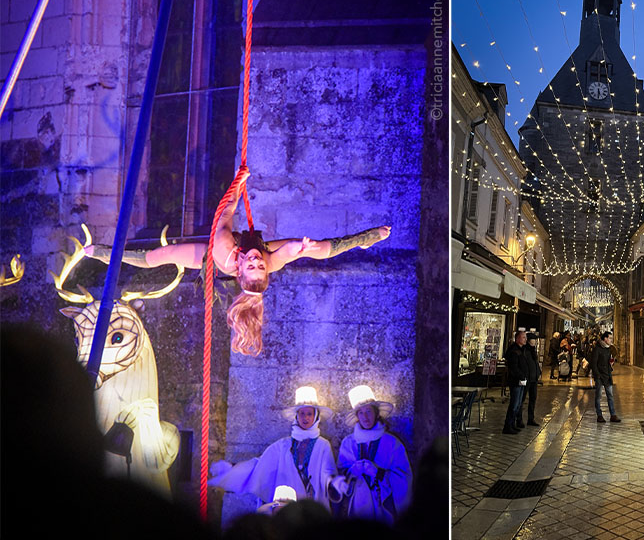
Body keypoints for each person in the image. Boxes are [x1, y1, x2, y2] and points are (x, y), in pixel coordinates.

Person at [84, 167, 390, 355]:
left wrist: (237, 184)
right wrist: (301, 246)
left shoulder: (225, 251)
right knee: (322, 249)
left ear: (241, 268)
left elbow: (225, 213)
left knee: (156, 257)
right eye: (259, 264)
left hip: (211, 259)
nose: (256, 260)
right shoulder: (269, 261)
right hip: (261, 254)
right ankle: (366, 240)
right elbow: (286, 253)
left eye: (252, 264)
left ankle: (101, 252)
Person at [208, 386, 345, 513]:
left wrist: (333, 484)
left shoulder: (323, 445)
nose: (305, 417)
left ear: (315, 416)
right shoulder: (282, 445)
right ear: (296, 416)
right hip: (288, 504)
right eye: (302, 413)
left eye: (309, 413)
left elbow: (328, 473)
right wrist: (232, 467)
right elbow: (260, 466)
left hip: (313, 504)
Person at [337, 385, 412, 525]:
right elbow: (339, 476)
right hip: (358, 503)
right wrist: (350, 473)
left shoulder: (391, 442)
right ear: (357, 416)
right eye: (361, 413)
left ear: (377, 414)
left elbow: (404, 477)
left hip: (383, 503)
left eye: (368, 412)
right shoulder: (348, 443)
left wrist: (380, 473)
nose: (365, 417)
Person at [590, 331, 621, 422]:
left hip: (607, 375)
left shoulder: (608, 349)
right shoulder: (597, 349)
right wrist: (597, 376)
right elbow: (593, 364)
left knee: (610, 395)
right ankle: (599, 415)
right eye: (610, 338)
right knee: (598, 396)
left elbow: (608, 362)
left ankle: (613, 415)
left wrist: (610, 365)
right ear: (605, 339)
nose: (611, 340)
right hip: (600, 376)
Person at [503, 331, 528, 433]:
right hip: (516, 381)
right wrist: (521, 376)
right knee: (514, 404)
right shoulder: (514, 351)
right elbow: (514, 367)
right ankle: (508, 426)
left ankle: (512, 425)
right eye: (523, 337)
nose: (525, 339)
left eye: (525, 337)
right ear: (517, 339)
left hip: (521, 381)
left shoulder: (521, 350)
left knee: (518, 404)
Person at [519, 332, 540, 427]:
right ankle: (519, 419)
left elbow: (535, 363)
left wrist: (538, 373)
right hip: (527, 379)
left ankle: (530, 419)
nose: (535, 342)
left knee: (533, 399)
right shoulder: (524, 351)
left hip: (534, 379)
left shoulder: (533, 351)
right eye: (533, 340)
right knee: (522, 399)